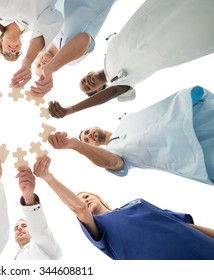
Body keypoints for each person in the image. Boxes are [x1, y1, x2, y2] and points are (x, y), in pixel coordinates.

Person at [48, 0, 214, 118]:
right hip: (171, 40)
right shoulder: (119, 84)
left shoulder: (109, 50)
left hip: (153, 16)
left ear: (88, 72)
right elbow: (112, 92)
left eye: (84, 80)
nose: (87, 83)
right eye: (88, 88)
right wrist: (71, 109)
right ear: (99, 90)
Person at [32, 154, 214, 260]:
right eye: (80, 200)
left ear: (98, 197)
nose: (85, 201)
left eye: (87, 196)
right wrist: (48, 177)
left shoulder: (139, 203)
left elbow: (185, 225)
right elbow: (80, 209)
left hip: (202, 247)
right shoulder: (98, 228)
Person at [48, 86, 214, 185]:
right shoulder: (114, 152)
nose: (89, 135)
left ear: (95, 126)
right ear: (93, 146)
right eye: (86, 140)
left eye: (87, 132)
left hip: (195, 114)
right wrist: (76, 145)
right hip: (196, 155)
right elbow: (112, 162)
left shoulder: (126, 119)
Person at [32, 0, 117, 97]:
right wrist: (49, 69)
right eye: (43, 68)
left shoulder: (46, 35)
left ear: (38, 55)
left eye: (38, 65)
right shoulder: (70, 59)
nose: (43, 65)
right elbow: (84, 39)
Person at [0, 0, 63, 89]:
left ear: (1, 41)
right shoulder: (35, 24)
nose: (13, 52)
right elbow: (53, 21)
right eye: (17, 53)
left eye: (8, 53)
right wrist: (28, 61)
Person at [13, 166, 62, 260]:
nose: (19, 228)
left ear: (31, 230)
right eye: (16, 228)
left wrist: (28, 198)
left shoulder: (43, 244)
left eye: (24, 225)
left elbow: (40, 230)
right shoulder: (16, 258)